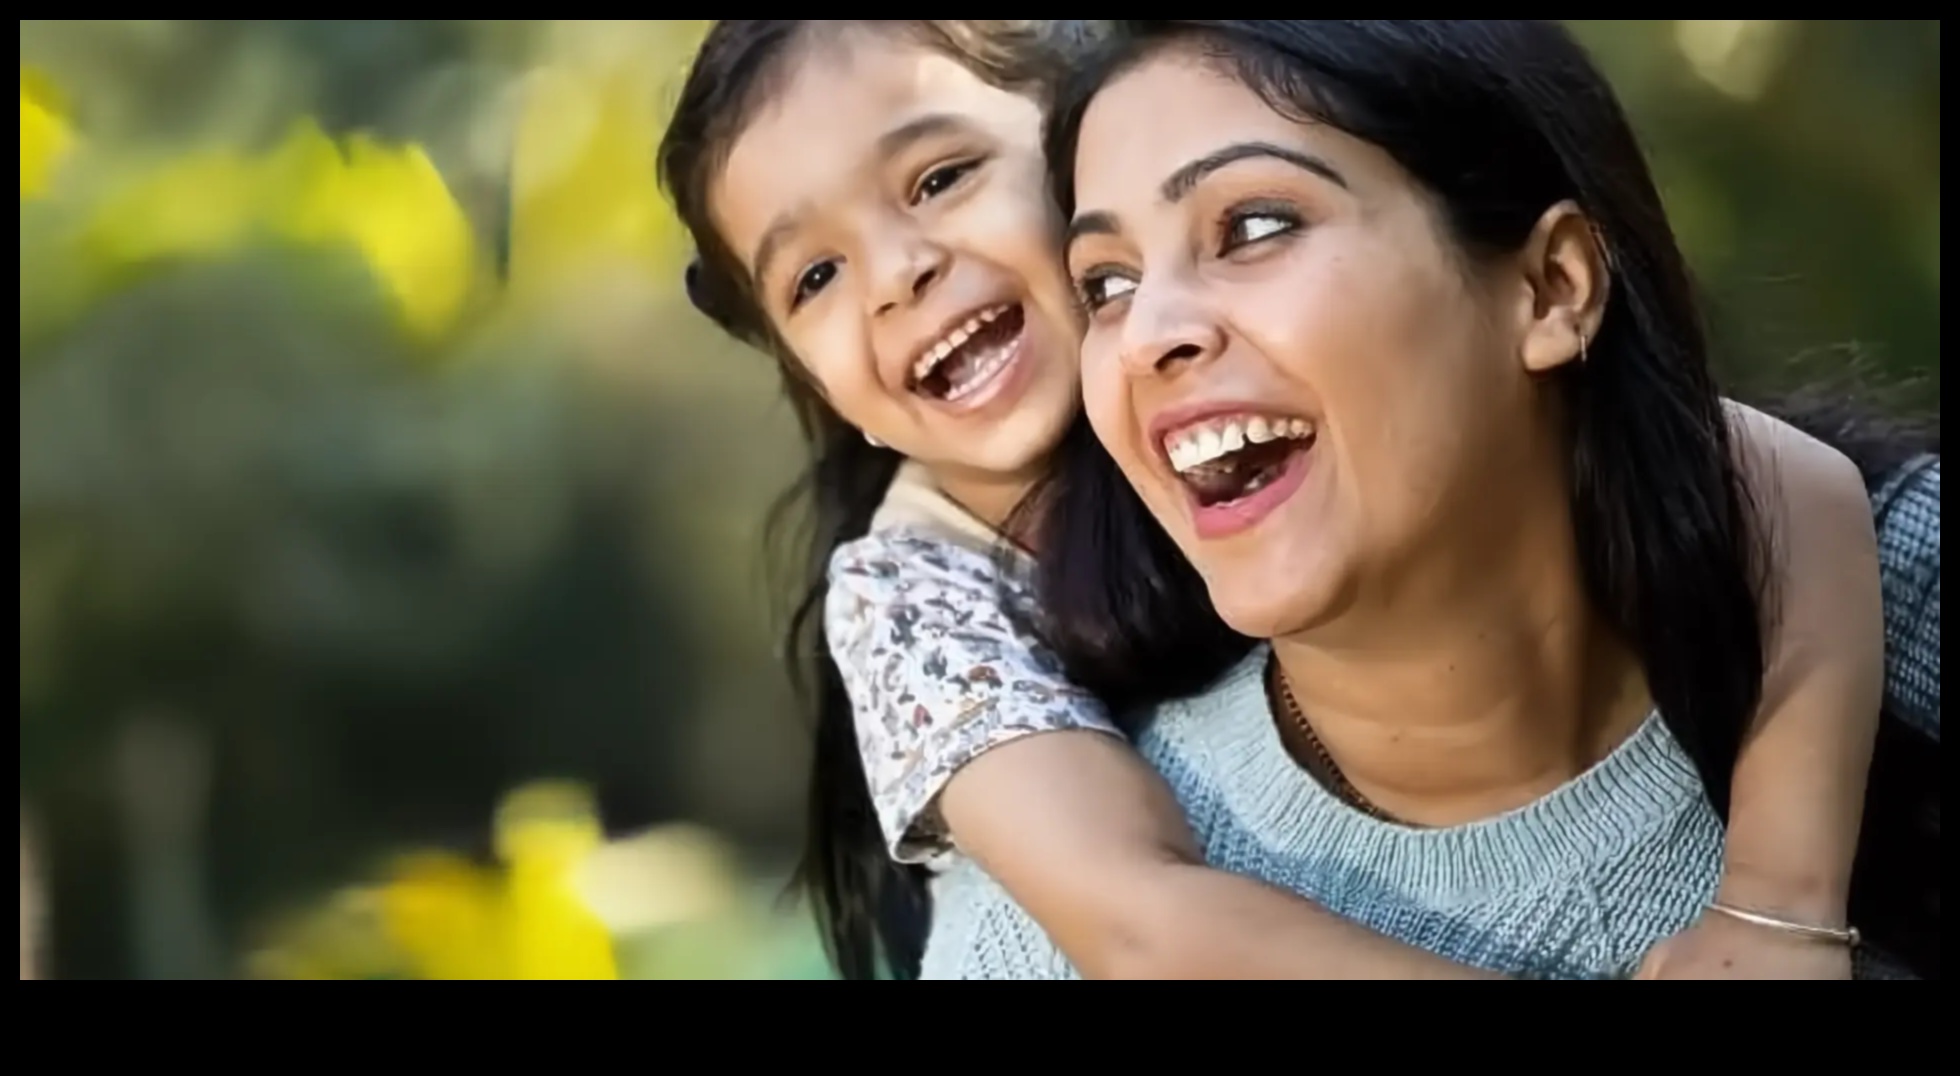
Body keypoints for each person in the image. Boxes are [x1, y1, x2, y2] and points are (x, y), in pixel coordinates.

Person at [658, 20, 1912, 979]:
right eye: (814, 274)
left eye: (935, 179)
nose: (899, 273)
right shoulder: (920, 589)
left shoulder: (1203, 360)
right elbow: (1141, 919)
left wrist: (1777, 897)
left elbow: (1771, 471)